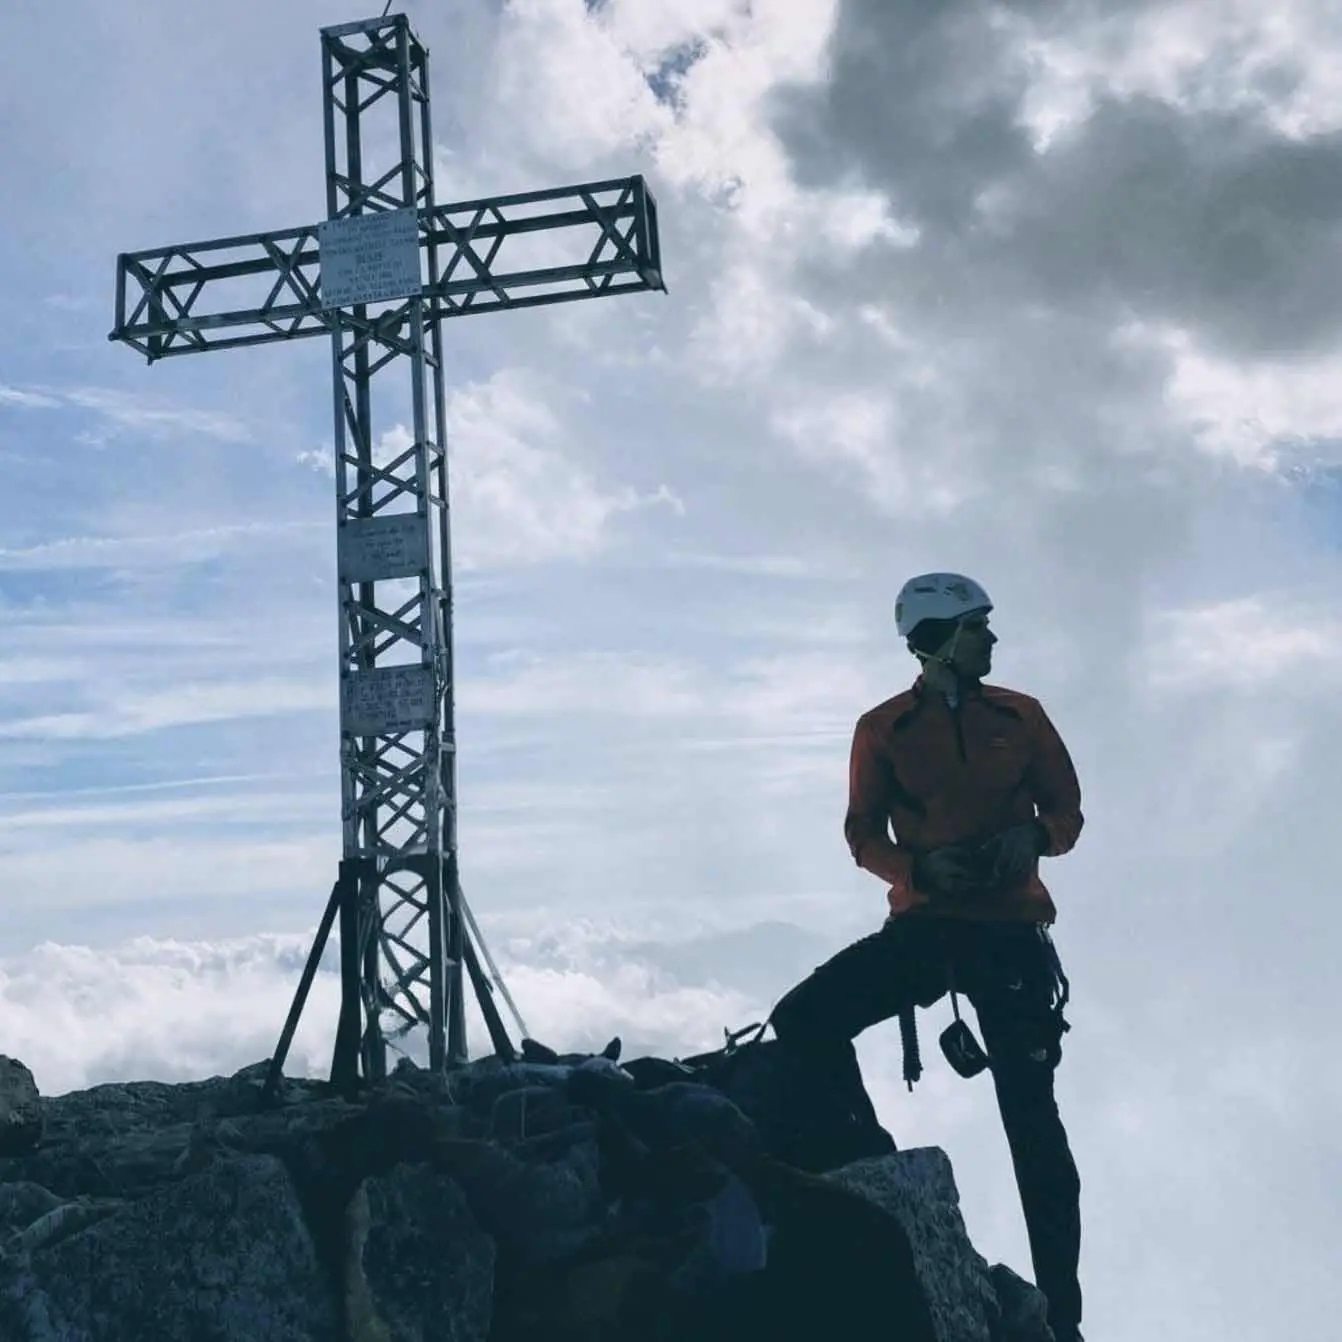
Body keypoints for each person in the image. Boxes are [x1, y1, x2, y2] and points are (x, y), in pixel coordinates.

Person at [768, 572, 1086, 1342]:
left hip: (1008, 935)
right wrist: (919, 871)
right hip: (931, 928)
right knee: (804, 1020)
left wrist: (1033, 837)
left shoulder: (1021, 716)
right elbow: (862, 834)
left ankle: (1062, 1317)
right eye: (978, 627)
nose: (991, 638)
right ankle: (877, 1179)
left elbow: (1067, 813)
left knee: (1034, 1127)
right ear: (939, 641)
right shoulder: (884, 729)